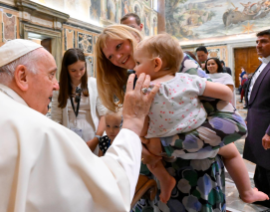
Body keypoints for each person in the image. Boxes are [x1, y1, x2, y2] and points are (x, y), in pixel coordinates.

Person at [0, 39, 160, 211]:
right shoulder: (39, 132)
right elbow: (110, 192)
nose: (56, 84)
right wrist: (132, 123)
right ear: (22, 76)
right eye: (51, 74)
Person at [95, 24, 248, 211]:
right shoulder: (129, 77)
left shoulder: (175, 62)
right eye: (110, 56)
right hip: (151, 180)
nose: (117, 57)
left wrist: (163, 144)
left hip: (192, 176)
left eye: (119, 46)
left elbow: (232, 124)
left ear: (133, 36)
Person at [135, 33, 268, 204]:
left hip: (162, 140)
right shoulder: (189, 80)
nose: (135, 68)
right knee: (231, 152)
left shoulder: (146, 88)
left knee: (152, 161)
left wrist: (145, 136)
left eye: (138, 63)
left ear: (156, 63)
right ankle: (247, 191)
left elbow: (142, 116)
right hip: (195, 130)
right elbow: (226, 93)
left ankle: (166, 181)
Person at [51, 48, 106, 154]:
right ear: (66, 69)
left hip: (93, 137)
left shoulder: (94, 84)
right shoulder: (60, 89)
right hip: (69, 139)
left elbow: (104, 115)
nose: (78, 74)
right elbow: (56, 119)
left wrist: (96, 139)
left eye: (82, 69)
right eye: (73, 70)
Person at [243, 29, 270, 208]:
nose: (258, 45)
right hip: (256, 127)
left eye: (264, 41)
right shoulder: (263, 65)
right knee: (261, 171)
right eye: (257, 41)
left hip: (266, 131)